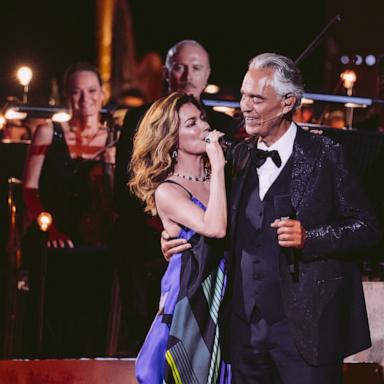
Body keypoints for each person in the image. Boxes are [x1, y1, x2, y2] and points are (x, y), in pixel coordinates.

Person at [162, 53, 381, 383]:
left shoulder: (326, 155)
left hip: (310, 330)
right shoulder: (236, 159)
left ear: (287, 102)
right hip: (244, 330)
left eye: (256, 98)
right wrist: (175, 237)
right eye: (243, 95)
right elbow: (204, 212)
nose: (244, 106)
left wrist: (310, 238)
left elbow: (368, 228)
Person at [112, 39, 239, 355]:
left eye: (196, 67)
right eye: (180, 66)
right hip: (159, 248)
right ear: (167, 73)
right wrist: (175, 230)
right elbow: (126, 192)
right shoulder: (139, 120)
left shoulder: (224, 128)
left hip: (224, 269)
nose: (187, 75)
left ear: (207, 74)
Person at [129, 92, 229, 383]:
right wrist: (219, 167)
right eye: (191, 124)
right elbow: (215, 228)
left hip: (227, 292)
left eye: (202, 119)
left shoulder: (222, 177)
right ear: (171, 138)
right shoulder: (168, 191)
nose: (203, 128)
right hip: (191, 297)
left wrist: (219, 170)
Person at [22, 62, 115, 357]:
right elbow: (29, 189)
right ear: (66, 96)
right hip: (56, 235)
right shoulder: (49, 133)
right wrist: (50, 228)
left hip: (98, 239)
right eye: (76, 92)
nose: (84, 99)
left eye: (91, 91)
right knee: (54, 316)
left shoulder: (115, 138)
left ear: (102, 94)